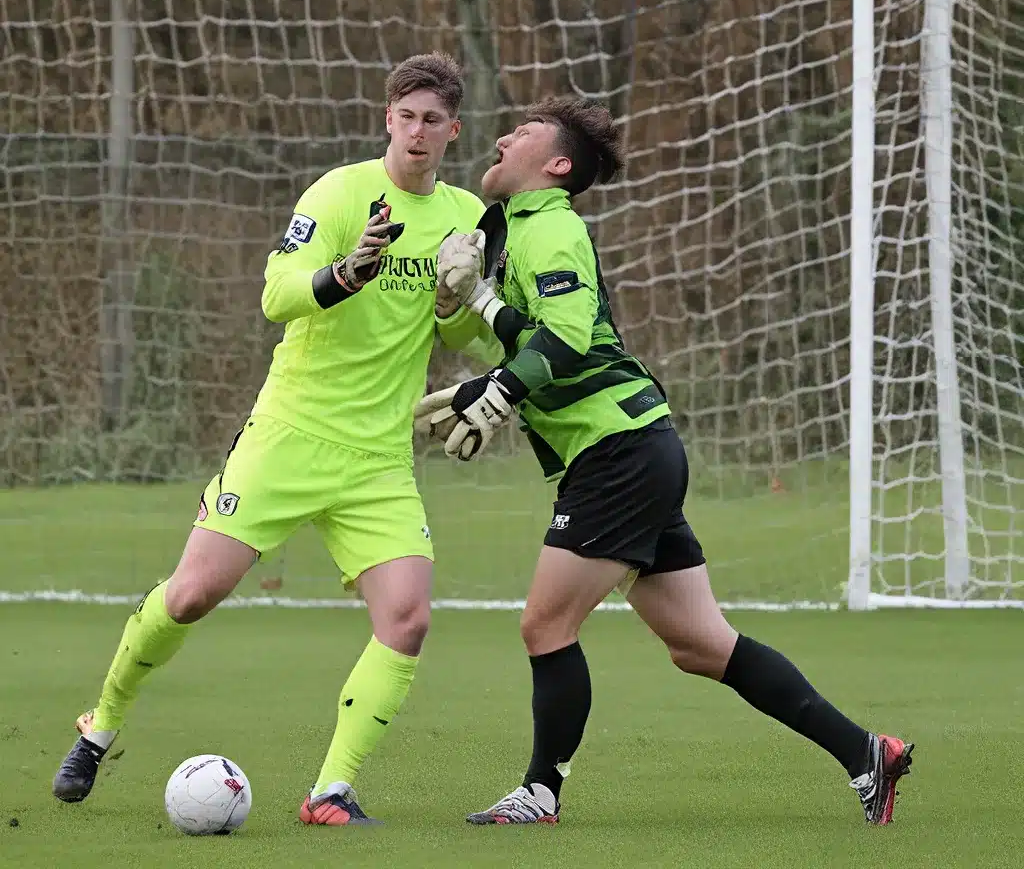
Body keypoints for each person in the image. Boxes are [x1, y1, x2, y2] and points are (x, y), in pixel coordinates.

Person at [416, 96, 914, 827]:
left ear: (556, 166)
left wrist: (503, 389)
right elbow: (526, 344)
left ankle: (539, 794)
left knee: (544, 627)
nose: (501, 139)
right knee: (700, 645)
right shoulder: (517, 231)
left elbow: (566, 343)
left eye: (520, 135)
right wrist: (474, 311)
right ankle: (868, 753)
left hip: (615, 453)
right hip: (635, 447)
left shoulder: (551, 227)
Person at [53, 52, 490, 826]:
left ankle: (330, 791)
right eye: (406, 117)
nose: (418, 133)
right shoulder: (342, 193)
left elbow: (460, 335)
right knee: (190, 597)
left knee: (409, 619)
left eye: (433, 121)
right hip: (289, 435)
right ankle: (102, 723)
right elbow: (277, 296)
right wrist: (345, 275)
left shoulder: (465, 218)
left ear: (453, 131)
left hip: (379, 458)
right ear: (386, 119)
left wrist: (460, 303)